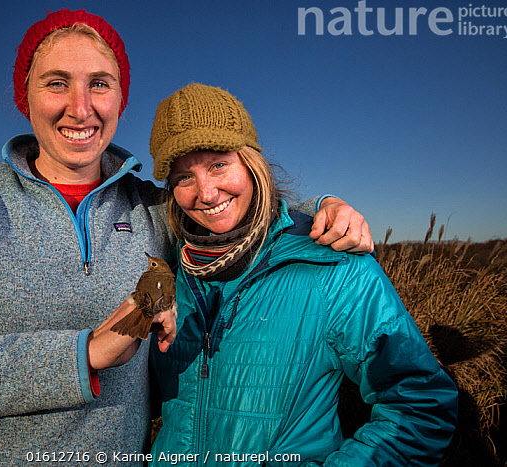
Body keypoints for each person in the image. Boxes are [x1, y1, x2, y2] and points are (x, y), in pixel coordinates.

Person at [0, 9, 374, 466]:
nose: (81, 108)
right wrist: (82, 354)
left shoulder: (152, 208)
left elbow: (230, 202)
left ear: (121, 98)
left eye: (99, 84)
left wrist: (323, 209)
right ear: (25, 97)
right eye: (57, 83)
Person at [148, 83, 458, 466]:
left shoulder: (333, 265)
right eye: (183, 177)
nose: (206, 193)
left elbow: (419, 405)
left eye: (218, 164)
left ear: (251, 163)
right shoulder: (171, 274)